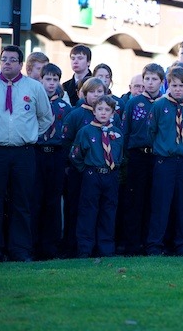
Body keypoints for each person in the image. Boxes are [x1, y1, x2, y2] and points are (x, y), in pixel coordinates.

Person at [0, 45, 53, 263]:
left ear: (20, 64)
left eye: (12, 60)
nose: (6, 63)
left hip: (23, 153)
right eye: (3, 59)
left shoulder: (34, 88)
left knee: (22, 203)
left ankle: (20, 250)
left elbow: (46, 117)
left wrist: (30, 134)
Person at [146, 66, 183, 256]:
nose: (178, 89)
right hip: (165, 161)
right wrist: (163, 147)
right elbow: (151, 131)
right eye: (174, 85)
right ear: (168, 84)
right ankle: (155, 244)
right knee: (161, 203)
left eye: (182, 85)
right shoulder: (159, 106)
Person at [60, 77, 110, 257]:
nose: (96, 95)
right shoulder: (76, 115)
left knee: (99, 210)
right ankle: (73, 247)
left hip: (101, 173)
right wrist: (76, 166)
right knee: (76, 209)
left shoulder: (110, 115)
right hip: (79, 171)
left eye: (100, 92)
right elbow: (66, 142)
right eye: (92, 92)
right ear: (84, 93)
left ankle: (99, 247)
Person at [70, 95, 124, 257]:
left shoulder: (117, 133)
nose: (103, 113)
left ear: (113, 113)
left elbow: (120, 154)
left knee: (108, 212)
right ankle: (85, 249)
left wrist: (115, 169)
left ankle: (106, 248)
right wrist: (86, 169)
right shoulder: (85, 131)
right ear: (94, 111)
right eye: (99, 109)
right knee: (88, 211)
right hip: (92, 175)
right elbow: (75, 155)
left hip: (111, 175)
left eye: (107, 110)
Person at [121, 63, 165, 255]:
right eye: (147, 78)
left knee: (154, 201)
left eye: (154, 79)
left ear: (162, 82)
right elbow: (125, 131)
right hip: (138, 156)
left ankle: (152, 244)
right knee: (135, 201)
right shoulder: (133, 103)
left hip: (158, 157)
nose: (150, 82)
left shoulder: (165, 103)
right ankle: (132, 245)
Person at [30, 63, 70, 260]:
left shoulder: (64, 107)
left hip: (56, 153)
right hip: (37, 152)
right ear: (41, 80)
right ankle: (33, 244)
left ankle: (51, 246)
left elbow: (68, 134)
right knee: (35, 199)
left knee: (53, 202)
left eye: (55, 80)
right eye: (48, 79)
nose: (51, 83)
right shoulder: (34, 102)